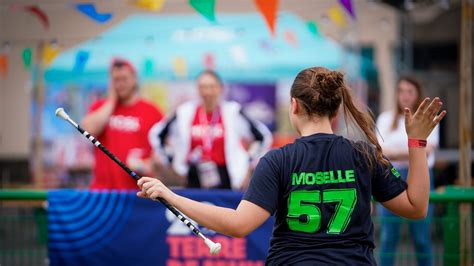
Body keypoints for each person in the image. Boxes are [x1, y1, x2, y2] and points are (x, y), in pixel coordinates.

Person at [137, 67, 445, 264]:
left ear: (294, 106)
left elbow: (237, 225)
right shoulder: (362, 154)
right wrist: (416, 144)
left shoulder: (277, 160)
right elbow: (416, 207)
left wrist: (171, 195)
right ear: (336, 108)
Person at [148, 70, 272, 190]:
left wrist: (249, 164)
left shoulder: (233, 112)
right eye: (203, 87)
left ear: (220, 88)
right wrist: (171, 161)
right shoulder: (184, 112)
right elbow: (157, 134)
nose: (207, 92)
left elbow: (264, 136)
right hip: (192, 176)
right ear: (197, 89)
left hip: (227, 176)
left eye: (212, 87)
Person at [376, 76, 439, 266]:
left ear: (417, 94)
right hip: (391, 176)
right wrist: (413, 149)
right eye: (401, 91)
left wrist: (395, 153)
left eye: (410, 91)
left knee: (421, 237)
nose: (405, 95)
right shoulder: (386, 118)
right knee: (388, 236)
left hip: (419, 176)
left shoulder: (425, 117)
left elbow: (429, 149)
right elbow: (379, 151)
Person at [82, 58, 163, 190]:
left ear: (134, 79)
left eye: (124, 79)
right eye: (116, 80)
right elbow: (89, 129)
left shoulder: (151, 111)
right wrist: (112, 100)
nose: (120, 84)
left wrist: (147, 165)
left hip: (139, 192)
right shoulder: (101, 107)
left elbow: (162, 152)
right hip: (104, 192)